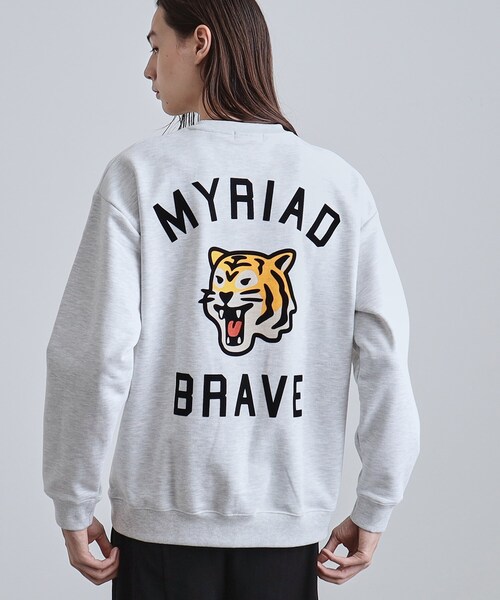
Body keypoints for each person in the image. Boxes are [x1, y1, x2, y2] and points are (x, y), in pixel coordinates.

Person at [42, 0, 421, 598]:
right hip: (286, 528)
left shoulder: (139, 175)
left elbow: (92, 352)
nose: (148, 69)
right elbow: (386, 356)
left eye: (155, 46)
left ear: (199, 42)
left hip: (161, 529)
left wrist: (73, 495)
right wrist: (376, 503)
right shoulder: (338, 186)